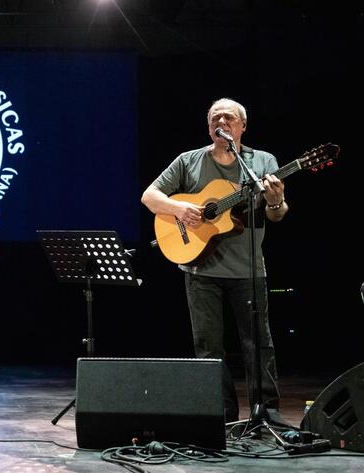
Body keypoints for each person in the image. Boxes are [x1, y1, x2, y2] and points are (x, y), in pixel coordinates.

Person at [141, 98, 287, 423]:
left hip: (248, 269)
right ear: (209, 127)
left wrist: (275, 201)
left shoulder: (262, 162)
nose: (222, 121)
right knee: (208, 347)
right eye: (215, 118)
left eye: (229, 118)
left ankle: (267, 413)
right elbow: (150, 196)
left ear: (242, 126)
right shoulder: (188, 161)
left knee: (259, 344)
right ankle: (220, 414)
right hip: (199, 269)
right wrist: (179, 209)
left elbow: (277, 215)